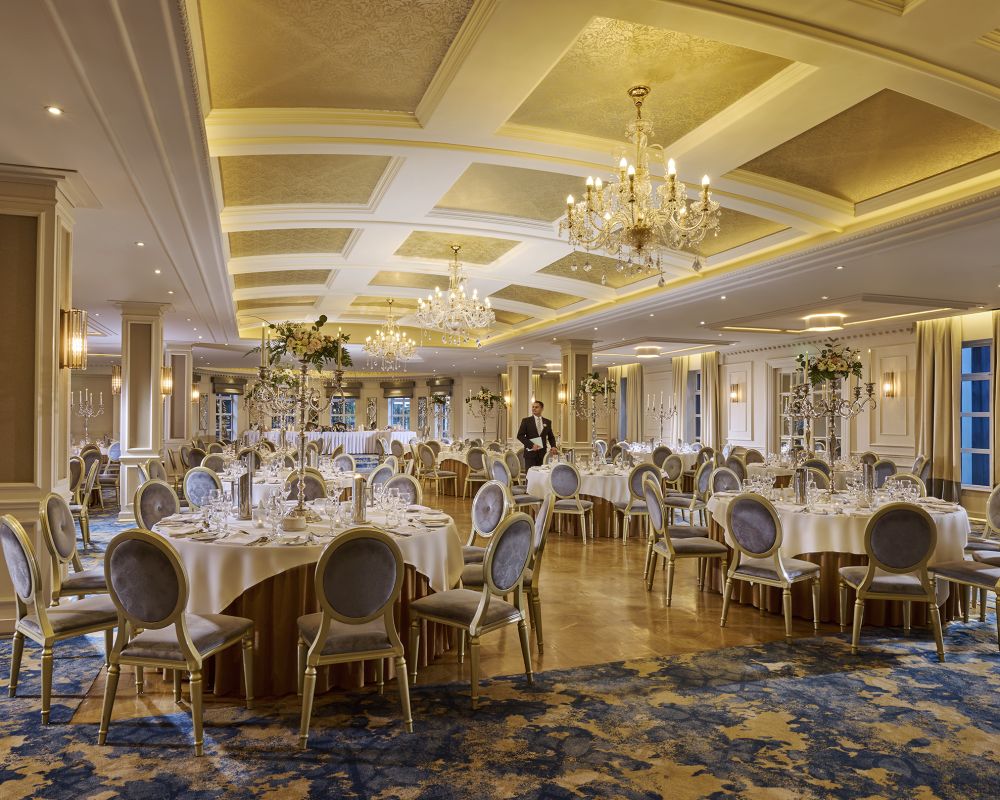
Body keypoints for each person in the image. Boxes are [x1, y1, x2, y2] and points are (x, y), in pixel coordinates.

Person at [516, 400, 558, 469]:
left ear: (542, 409)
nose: (534, 409)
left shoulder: (547, 422)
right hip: (530, 454)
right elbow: (520, 436)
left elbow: (551, 437)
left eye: (536, 407)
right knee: (530, 475)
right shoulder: (526, 421)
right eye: (533, 407)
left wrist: (553, 446)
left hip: (542, 454)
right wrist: (531, 445)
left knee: (542, 473)